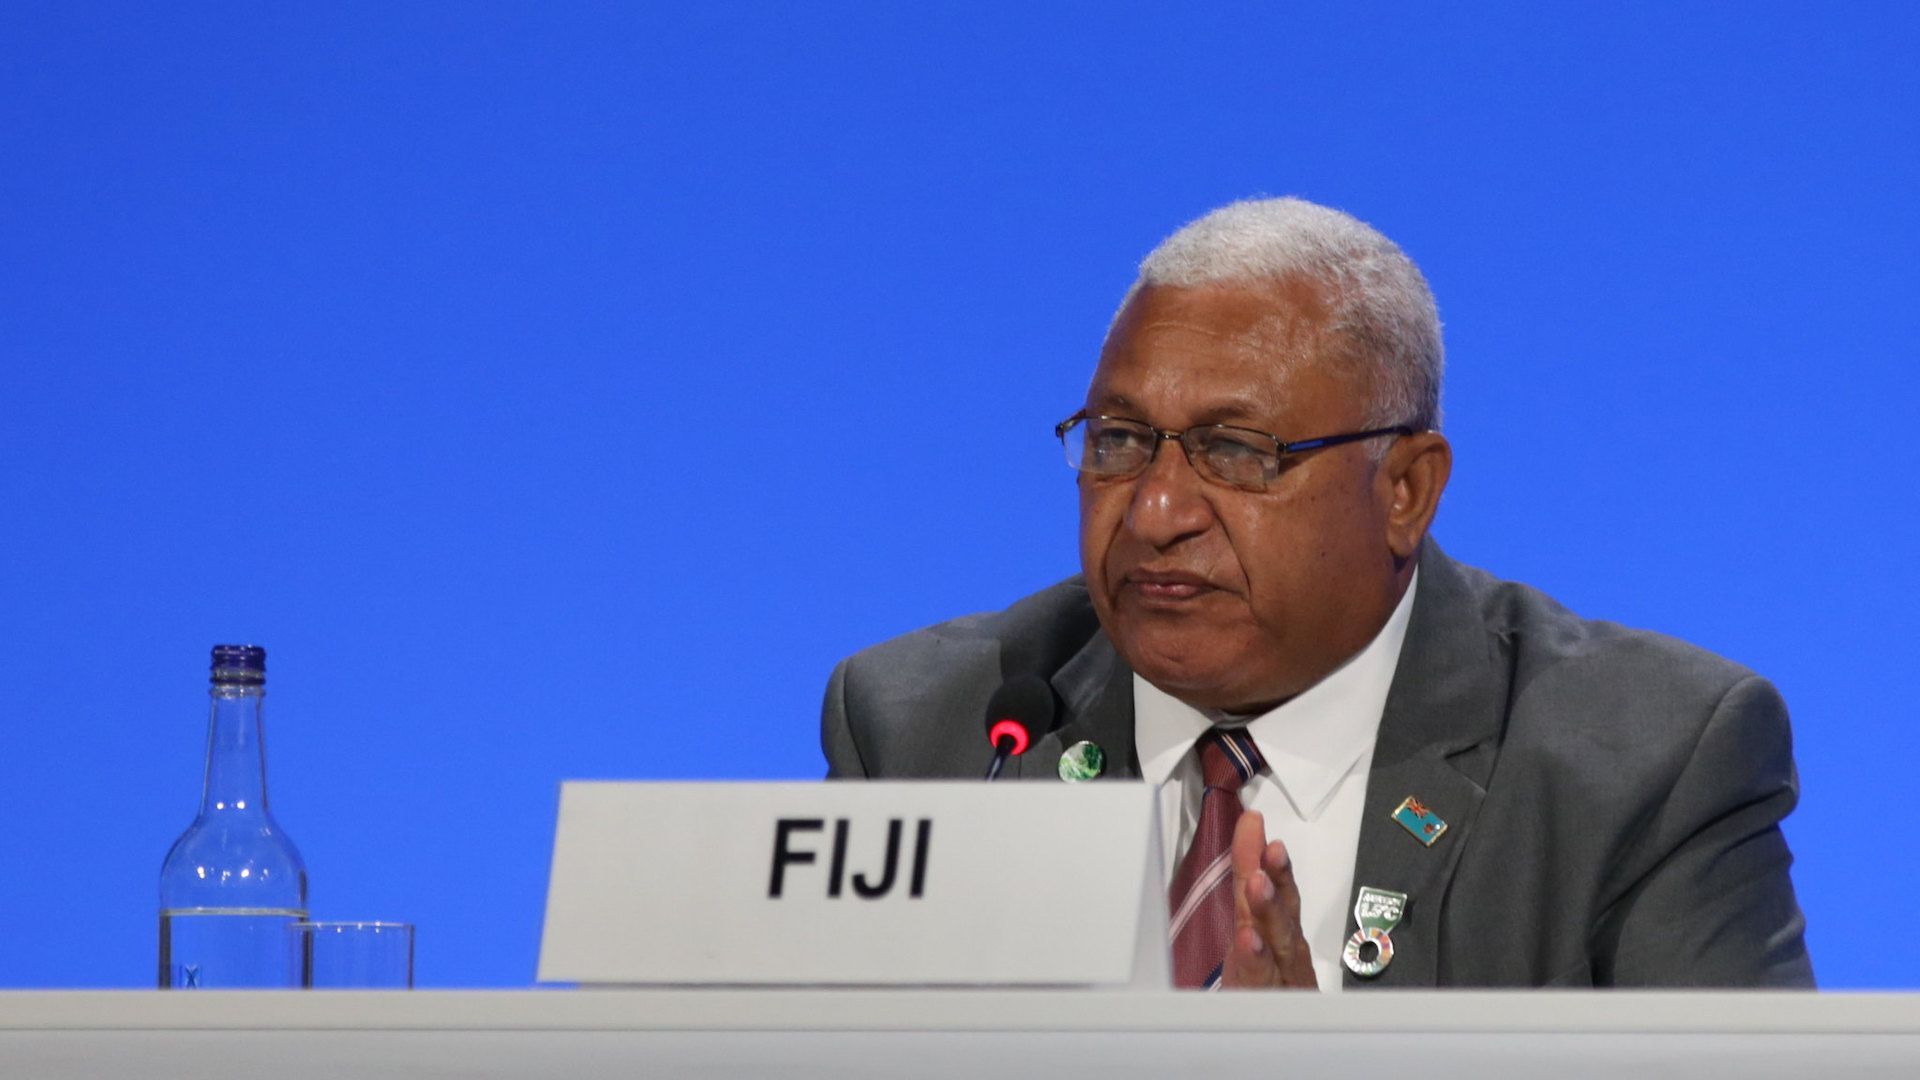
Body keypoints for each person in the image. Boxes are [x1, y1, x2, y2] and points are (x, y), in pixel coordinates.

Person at [820, 197, 1813, 990]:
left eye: (1234, 451)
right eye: (1118, 442)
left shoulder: (1647, 767)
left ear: (1405, 491)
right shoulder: (934, 734)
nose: (1156, 509)